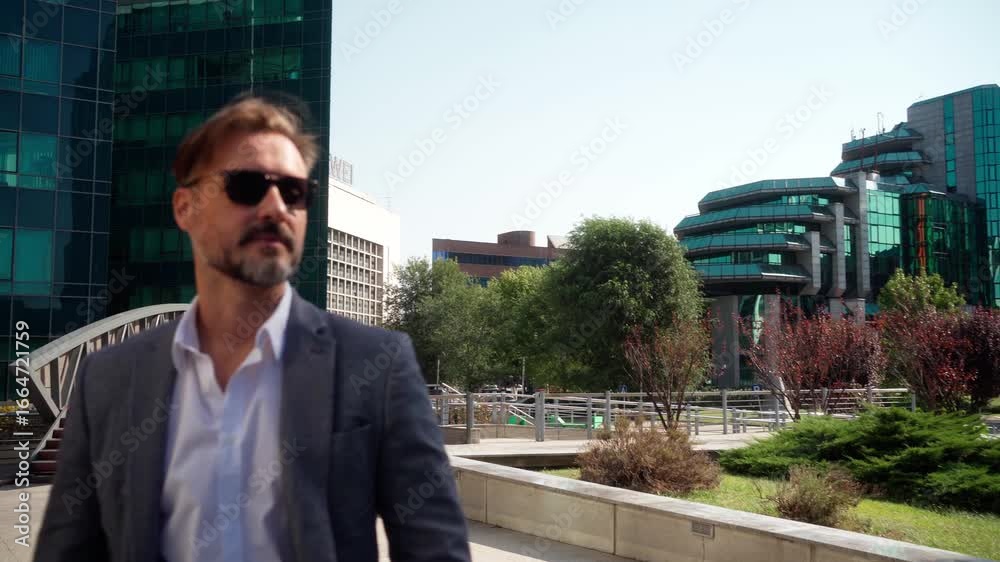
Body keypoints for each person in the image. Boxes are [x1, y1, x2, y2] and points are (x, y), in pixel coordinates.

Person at [34, 96, 471, 562]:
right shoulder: (109, 378)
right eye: (247, 185)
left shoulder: (377, 365)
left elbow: (436, 549)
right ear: (185, 207)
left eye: (294, 191)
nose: (276, 206)